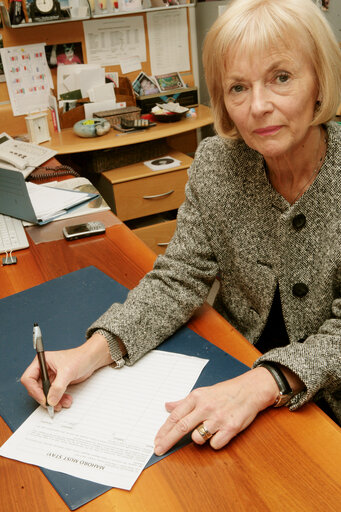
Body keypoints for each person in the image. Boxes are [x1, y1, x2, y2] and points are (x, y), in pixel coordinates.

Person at [22, 0, 341, 456]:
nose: (258, 106)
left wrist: (260, 385)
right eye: (237, 87)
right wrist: (93, 351)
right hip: (228, 374)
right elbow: (178, 278)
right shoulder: (217, 164)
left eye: (281, 78)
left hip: (323, 403)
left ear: (319, 82)